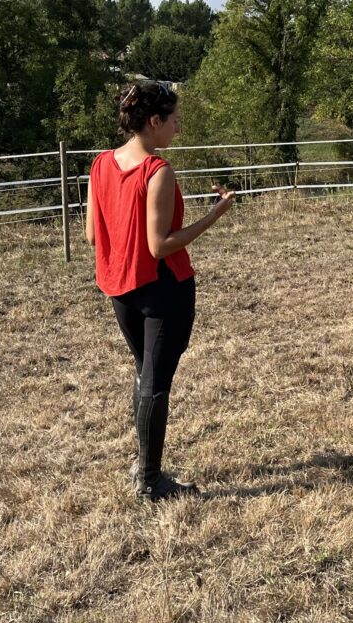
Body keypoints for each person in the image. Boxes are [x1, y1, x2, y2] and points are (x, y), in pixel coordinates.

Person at [85, 81, 235, 500]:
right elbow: (161, 245)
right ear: (154, 122)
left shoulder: (100, 165)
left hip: (120, 289)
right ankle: (151, 480)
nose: (178, 129)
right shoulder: (158, 172)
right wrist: (215, 214)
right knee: (155, 381)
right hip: (164, 291)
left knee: (144, 374)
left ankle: (143, 466)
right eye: (174, 120)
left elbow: (91, 237)